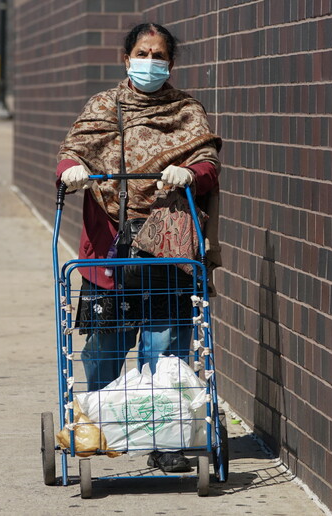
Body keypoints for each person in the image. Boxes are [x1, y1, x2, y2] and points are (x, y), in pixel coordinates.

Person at [56, 23, 222, 473]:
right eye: (143, 53)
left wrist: (191, 174)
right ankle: (104, 423)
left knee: (164, 348)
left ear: (171, 62)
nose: (151, 61)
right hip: (111, 242)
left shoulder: (186, 111)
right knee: (105, 347)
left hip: (165, 244)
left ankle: (165, 440)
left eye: (159, 54)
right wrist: (72, 170)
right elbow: (73, 151)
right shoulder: (103, 107)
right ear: (126, 58)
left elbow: (207, 161)